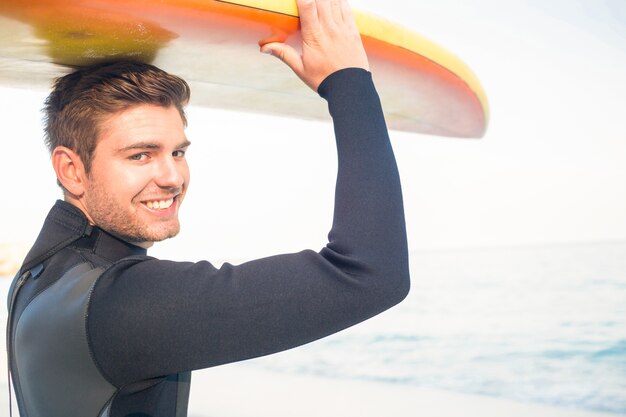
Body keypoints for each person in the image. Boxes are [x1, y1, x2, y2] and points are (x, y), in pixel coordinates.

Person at [6, 0, 410, 416]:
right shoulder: (122, 305)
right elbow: (370, 273)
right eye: (140, 156)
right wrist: (348, 83)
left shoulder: (38, 276)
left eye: (177, 152)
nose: (172, 177)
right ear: (71, 170)